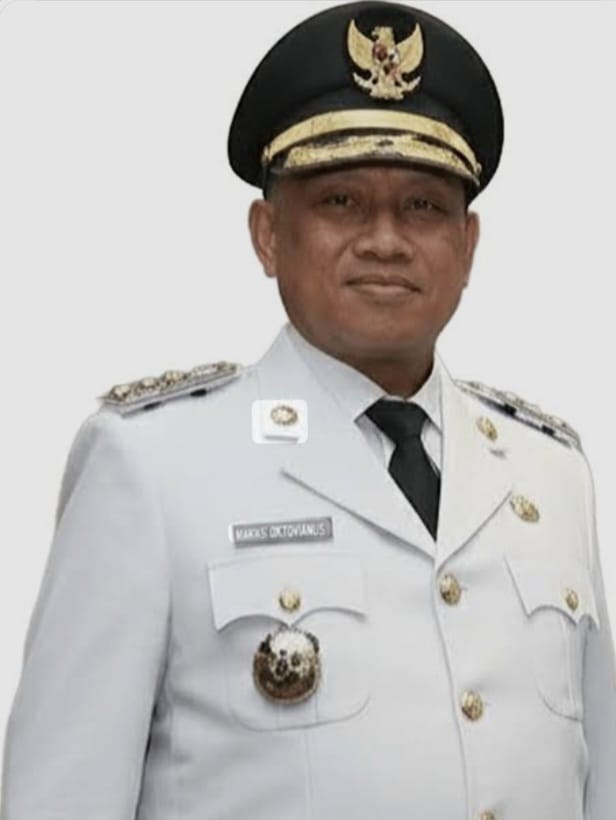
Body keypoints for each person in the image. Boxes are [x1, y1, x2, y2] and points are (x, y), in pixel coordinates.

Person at [1, 1, 615, 818]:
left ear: (468, 246)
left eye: (424, 207)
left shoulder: (550, 473)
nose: (386, 240)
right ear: (267, 234)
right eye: (341, 203)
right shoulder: (154, 467)